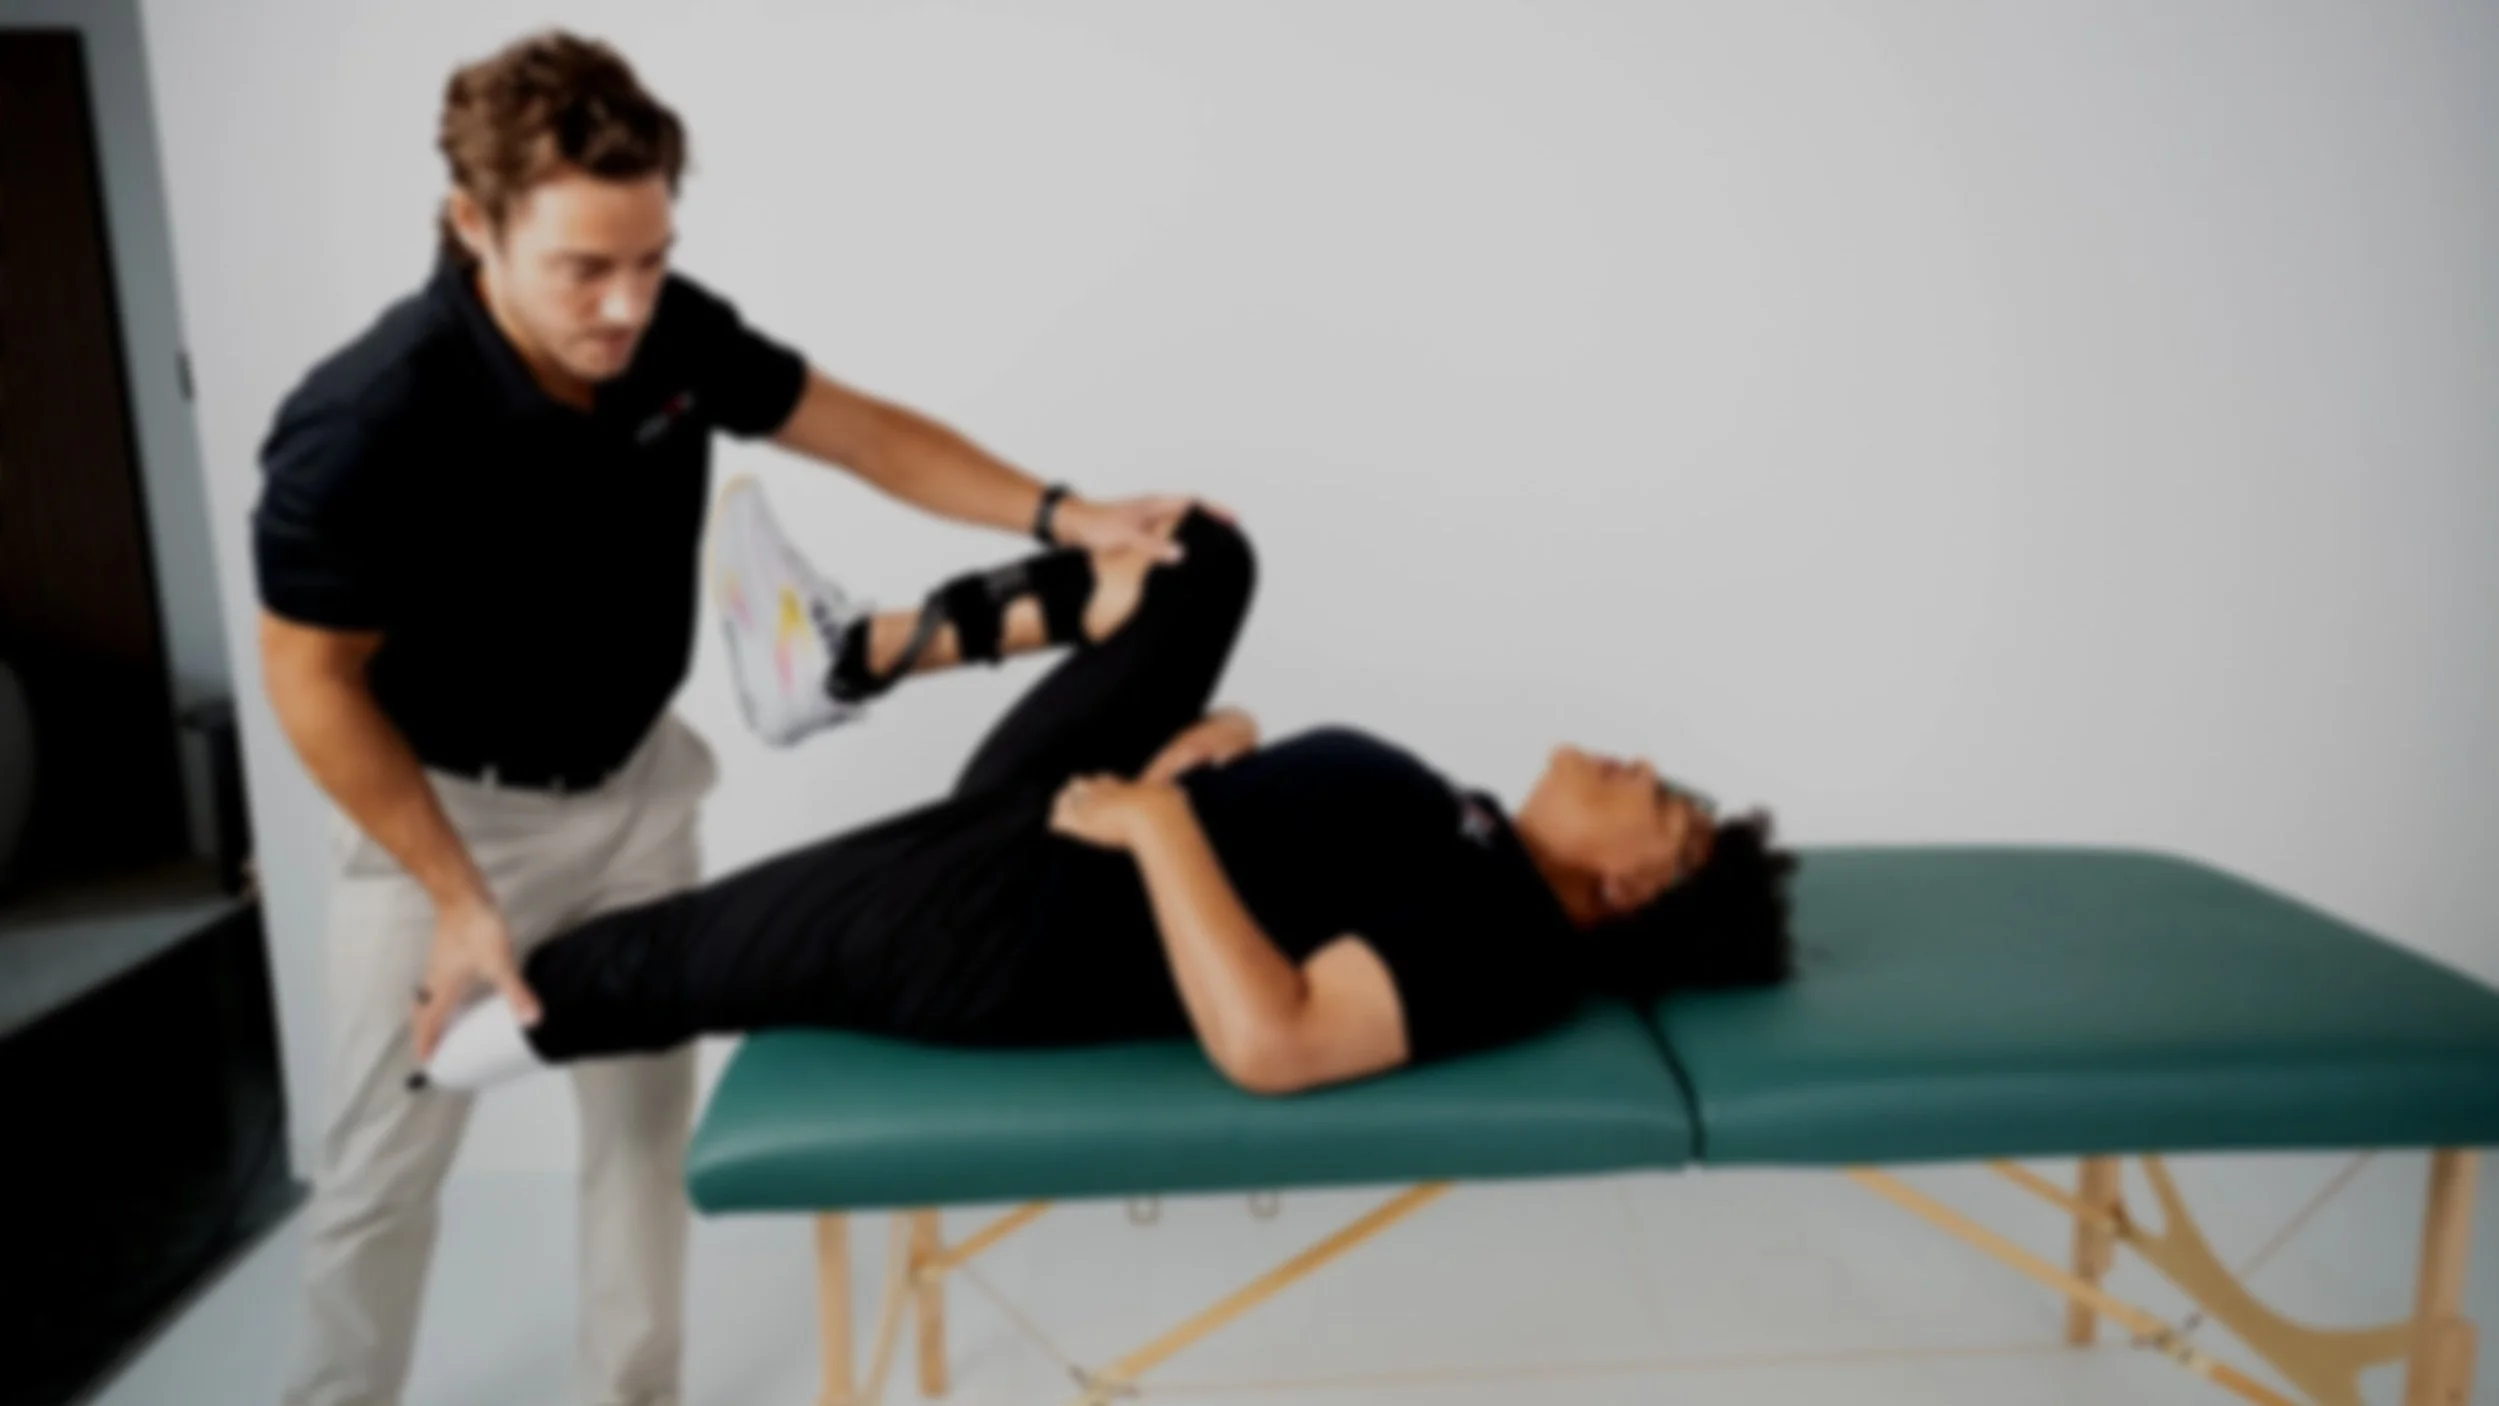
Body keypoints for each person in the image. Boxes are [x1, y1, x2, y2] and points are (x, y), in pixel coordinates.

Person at [253, 31, 1206, 1406]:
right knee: (378, 1180)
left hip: (637, 794)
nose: (628, 303)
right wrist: (459, 896)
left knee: (641, 1149)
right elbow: (311, 682)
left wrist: (1067, 514)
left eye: (649, 258)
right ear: (472, 224)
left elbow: (857, 427)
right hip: (447, 825)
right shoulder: (365, 420)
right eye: (585, 267)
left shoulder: (666, 331)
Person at [417, 485, 1797, 1100]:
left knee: (675, 961)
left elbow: (1277, 1041)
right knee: (1200, 556)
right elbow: (1297, 886)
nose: (1636, 762)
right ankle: (841, 656)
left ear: (1626, 891)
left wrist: (1161, 824)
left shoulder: (1512, 941)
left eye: (1661, 804)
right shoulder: (1482, 836)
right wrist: (1211, 769)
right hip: (1077, 827)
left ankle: (427, 1056)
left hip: (1013, 918)